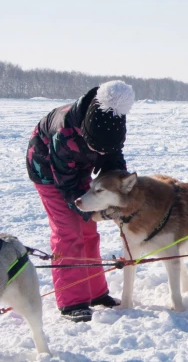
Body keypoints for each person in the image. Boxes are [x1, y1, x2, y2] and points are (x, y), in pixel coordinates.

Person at [26, 81, 135, 322]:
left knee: (88, 230)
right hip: (48, 173)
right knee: (69, 230)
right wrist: (92, 211)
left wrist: (118, 197)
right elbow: (67, 184)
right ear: (85, 131)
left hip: (79, 169)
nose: (101, 151)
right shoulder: (63, 130)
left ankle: (95, 292)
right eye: (96, 147)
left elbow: (113, 164)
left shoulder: (114, 122)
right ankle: (72, 300)